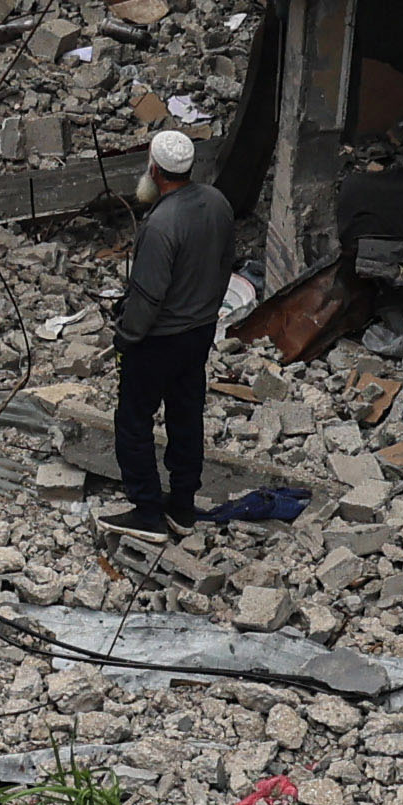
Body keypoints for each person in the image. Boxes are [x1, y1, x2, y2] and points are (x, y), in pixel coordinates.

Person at [114, 124, 242, 527]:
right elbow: (226, 264)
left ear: (154, 169)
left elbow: (149, 296)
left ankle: (147, 510)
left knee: (134, 422)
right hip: (199, 332)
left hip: (159, 340)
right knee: (185, 417)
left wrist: (125, 338)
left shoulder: (160, 224)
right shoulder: (217, 201)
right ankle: (182, 505)